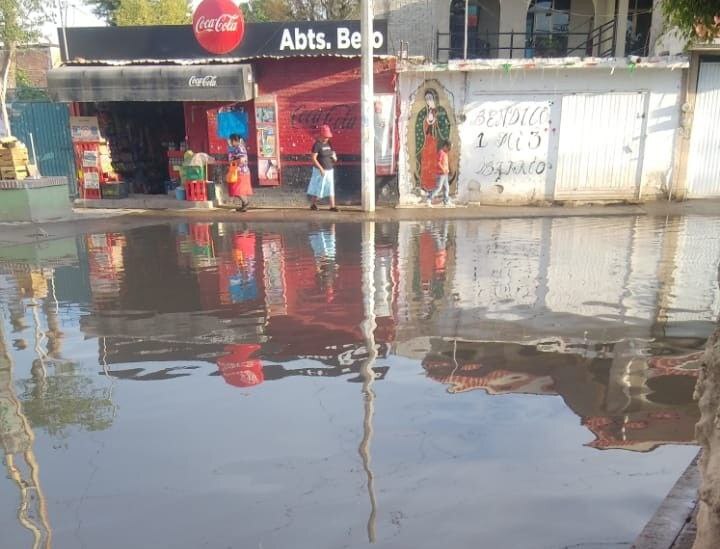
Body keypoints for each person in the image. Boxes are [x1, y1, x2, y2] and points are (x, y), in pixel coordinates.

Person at [307, 125, 339, 212]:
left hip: (329, 169)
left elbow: (331, 153)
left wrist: (334, 157)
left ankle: (332, 206)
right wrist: (320, 168)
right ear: (321, 135)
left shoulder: (329, 143)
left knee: (330, 187)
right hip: (320, 170)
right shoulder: (317, 145)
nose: (327, 138)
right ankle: (313, 204)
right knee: (319, 187)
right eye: (325, 137)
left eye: (328, 137)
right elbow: (313, 158)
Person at [227, 134, 252, 212]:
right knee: (238, 189)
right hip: (239, 171)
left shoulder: (239, 148)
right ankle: (244, 204)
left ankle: (246, 203)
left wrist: (233, 163)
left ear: (234, 140)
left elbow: (241, 160)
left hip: (241, 172)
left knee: (236, 189)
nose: (230, 142)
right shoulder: (237, 148)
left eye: (231, 140)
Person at [428, 140, 452, 206]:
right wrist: (443, 169)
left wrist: (447, 170)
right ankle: (429, 198)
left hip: (445, 174)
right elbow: (438, 162)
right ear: (445, 146)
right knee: (438, 188)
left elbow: (445, 163)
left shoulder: (445, 153)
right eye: (448, 148)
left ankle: (446, 201)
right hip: (440, 174)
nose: (448, 150)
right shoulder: (441, 153)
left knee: (446, 188)